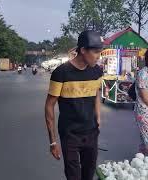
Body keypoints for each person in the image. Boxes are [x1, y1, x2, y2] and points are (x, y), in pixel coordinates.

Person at [44, 30, 104, 180]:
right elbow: (49, 106)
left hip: (91, 133)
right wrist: (53, 141)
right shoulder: (61, 73)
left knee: (88, 175)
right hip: (70, 135)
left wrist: (98, 118)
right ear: (83, 50)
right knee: (73, 176)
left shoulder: (97, 71)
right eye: (96, 52)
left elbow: (95, 93)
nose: (98, 56)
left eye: (100, 52)